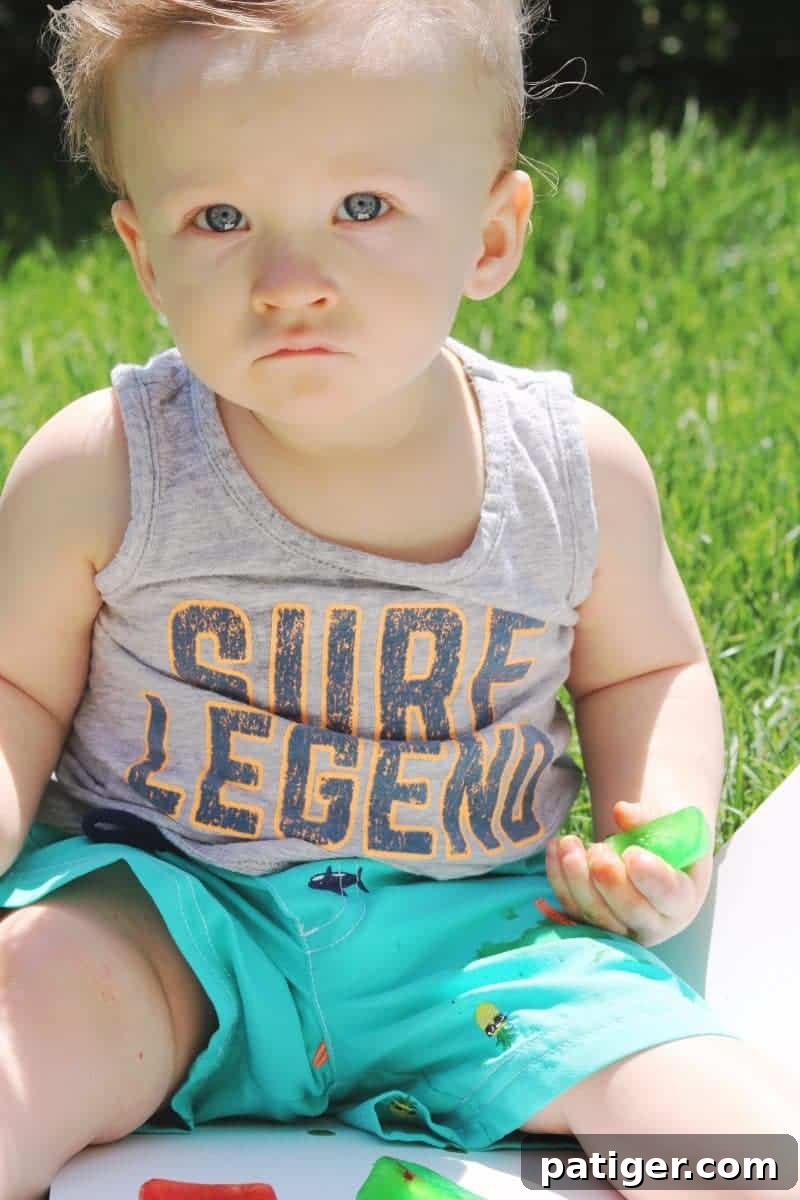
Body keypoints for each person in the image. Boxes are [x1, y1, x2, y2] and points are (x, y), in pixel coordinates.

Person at [0, 1, 797, 1197]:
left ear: (488, 234)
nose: (287, 280)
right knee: (21, 1023)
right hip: (169, 924)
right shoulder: (104, 466)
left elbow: (649, 670)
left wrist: (653, 814)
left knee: (729, 1150)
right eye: (218, 218)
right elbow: (13, 685)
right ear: (144, 255)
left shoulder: (570, 471)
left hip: (479, 944)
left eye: (361, 209)